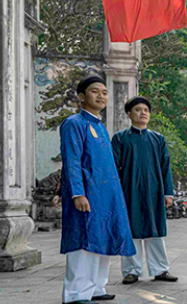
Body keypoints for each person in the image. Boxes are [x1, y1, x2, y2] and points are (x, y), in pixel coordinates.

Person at [60, 75, 135, 304]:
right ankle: (75, 294)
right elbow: (72, 160)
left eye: (104, 92)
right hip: (86, 194)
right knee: (83, 240)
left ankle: (96, 288)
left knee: (102, 238)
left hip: (106, 195)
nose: (101, 95)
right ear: (82, 97)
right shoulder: (74, 123)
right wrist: (78, 193)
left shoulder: (100, 127)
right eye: (95, 91)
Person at [111, 96, 178, 284]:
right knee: (131, 231)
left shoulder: (158, 139)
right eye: (138, 110)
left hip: (154, 191)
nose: (142, 113)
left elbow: (165, 167)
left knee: (155, 231)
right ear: (129, 114)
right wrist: (115, 194)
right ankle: (131, 271)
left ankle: (160, 270)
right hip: (128, 191)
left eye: (146, 110)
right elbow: (113, 168)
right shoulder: (120, 139)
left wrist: (168, 192)